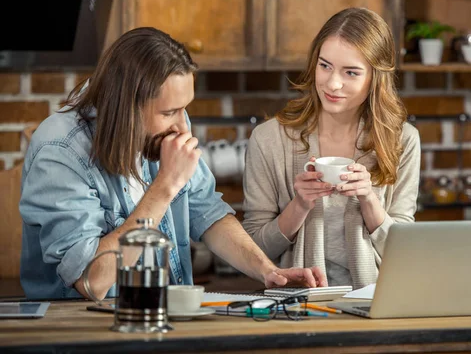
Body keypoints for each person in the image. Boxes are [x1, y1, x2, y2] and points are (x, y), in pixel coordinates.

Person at [19, 27, 326, 300]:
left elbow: (206, 212)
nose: (183, 127)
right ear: (127, 109)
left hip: (166, 316)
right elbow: (92, 281)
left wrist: (268, 272)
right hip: (82, 329)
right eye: (169, 113)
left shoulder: (165, 127)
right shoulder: (60, 150)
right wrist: (165, 186)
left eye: (184, 110)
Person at [242, 7, 421, 289]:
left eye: (351, 72)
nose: (333, 83)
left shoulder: (402, 140)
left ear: (376, 77)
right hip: (297, 304)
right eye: (325, 66)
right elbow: (253, 251)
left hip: (375, 301)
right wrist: (299, 205)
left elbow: (406, 254)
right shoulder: (268, 140)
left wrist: (369, 200)